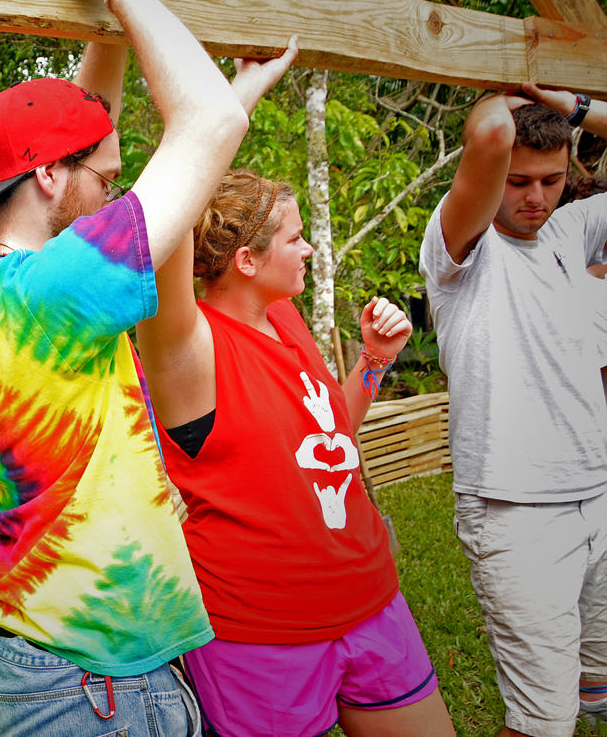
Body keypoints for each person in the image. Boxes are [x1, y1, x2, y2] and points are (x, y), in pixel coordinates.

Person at [0, 0, 250, 735]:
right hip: (85, 682)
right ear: (49, 180)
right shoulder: (59, 287)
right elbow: (216, 119)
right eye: (108, 180)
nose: (117, 195)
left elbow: (87, 135)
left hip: (33, 641)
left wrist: (110, 27)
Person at [137, 107, 456, 735]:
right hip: (263, 632)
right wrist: (209, 116)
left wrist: (373, 361)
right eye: (293, 238)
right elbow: (162, 226)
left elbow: (331, 434)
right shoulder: (187, 347)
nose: (308, 248)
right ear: (247, 262)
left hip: (372, 606)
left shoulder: (285, 317)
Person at [419, 83, 607, 737]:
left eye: (551, 181)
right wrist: (511, 79)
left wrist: (575, 108)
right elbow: (492, 135)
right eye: (519, 181)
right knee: (543, 723)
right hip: (516, 511)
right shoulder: (459, 250)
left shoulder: (569, 232)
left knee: (596, 684)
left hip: (597, 492)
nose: (534, 198)